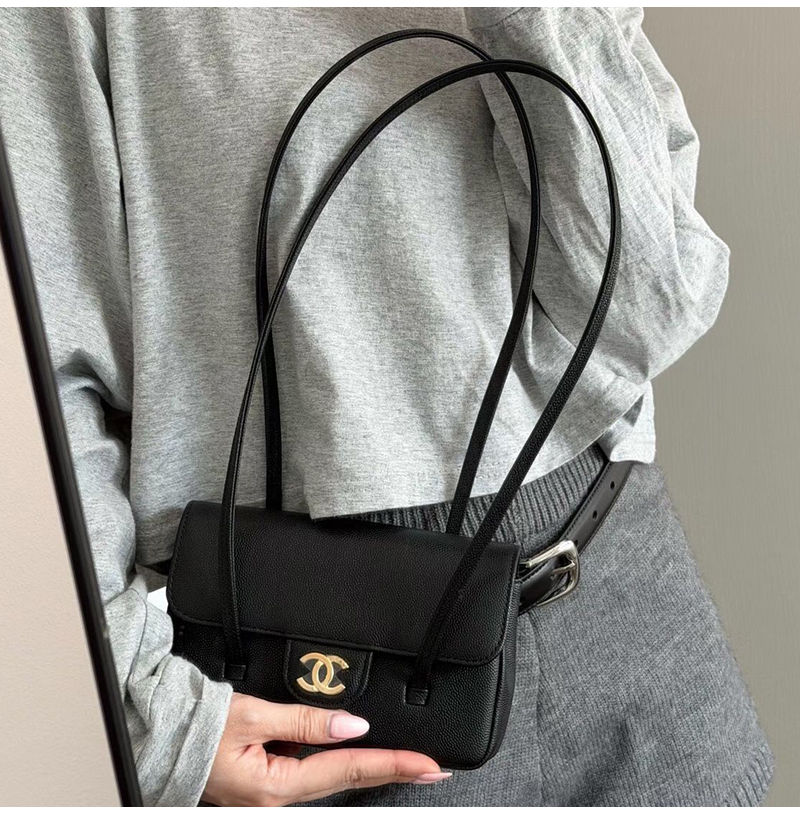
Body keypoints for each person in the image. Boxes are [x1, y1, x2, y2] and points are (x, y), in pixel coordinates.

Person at [0, 7, 772, 807]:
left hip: (620, 595)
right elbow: (40, 356)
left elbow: (648, 304)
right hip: (318, 656)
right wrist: (156, 722)